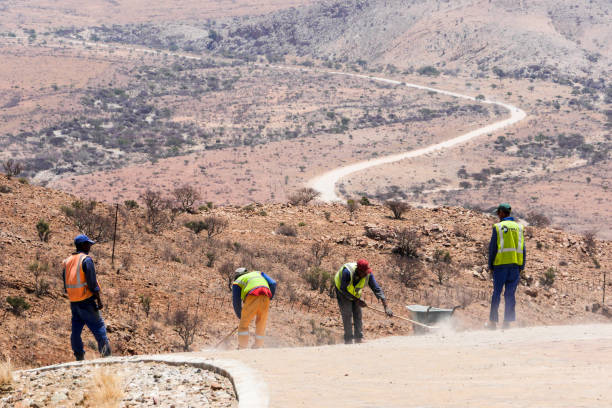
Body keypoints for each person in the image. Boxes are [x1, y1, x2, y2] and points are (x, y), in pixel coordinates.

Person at [62, 234, 111, 360]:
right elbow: (92, 283)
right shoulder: (86, 260)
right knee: (99, 327)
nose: (90, 246)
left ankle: (79, 357)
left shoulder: (67, 261)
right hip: (87, 301)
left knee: (76, 331)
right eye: (88, 244)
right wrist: (98, 299)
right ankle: (106, 356)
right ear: (83, 245)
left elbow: (65, 282)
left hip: (74, 302)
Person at [487, 203, 526, 330]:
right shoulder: (519, 227)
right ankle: (507, 323)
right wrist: (521, 266)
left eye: (498, 213)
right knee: (510, 295)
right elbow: (523, 248)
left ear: (503, 213)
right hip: (515, 266)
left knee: (496, 294)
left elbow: (493, 248)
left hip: (500, 265)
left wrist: (490, 265)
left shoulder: (498, 227)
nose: (498, 215)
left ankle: (493, 323)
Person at [334, 259, 392, 344]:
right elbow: (343, 289)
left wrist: (386, 306)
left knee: (358, 313)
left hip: (355, 293)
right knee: (347, 314)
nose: (366, 274)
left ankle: (358, 338)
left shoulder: (368, 275)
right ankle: (348, 340)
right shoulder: (347, 272)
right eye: (364, 272)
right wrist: (357, 300)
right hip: (342, 291)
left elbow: (377, 289)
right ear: (359, 270)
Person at [232, 267, 276, 349]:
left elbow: (236, 301)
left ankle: (242, 347)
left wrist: (240, 316)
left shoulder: (237, 281)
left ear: (237, 275)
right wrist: (270, 297)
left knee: (243, 325)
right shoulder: (259, 273)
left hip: (252, 296)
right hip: (266, 296)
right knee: (261, 323)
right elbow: (273, 283)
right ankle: (257, 346)